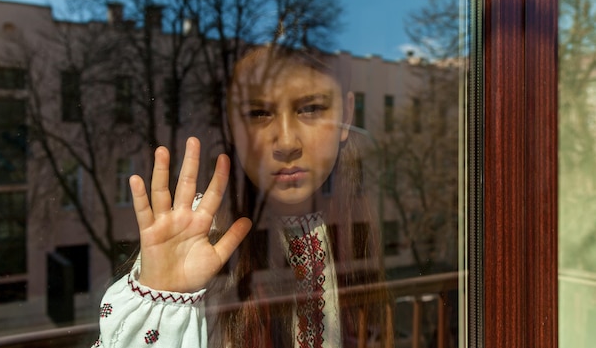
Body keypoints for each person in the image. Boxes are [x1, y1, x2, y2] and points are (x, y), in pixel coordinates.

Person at [92, 46, 392, 348]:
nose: (286, 142)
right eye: (258, 113)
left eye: (311, 108)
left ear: (347, 114)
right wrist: (163, 295)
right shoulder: (196, 233)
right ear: (232, 126)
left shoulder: (353, 224)